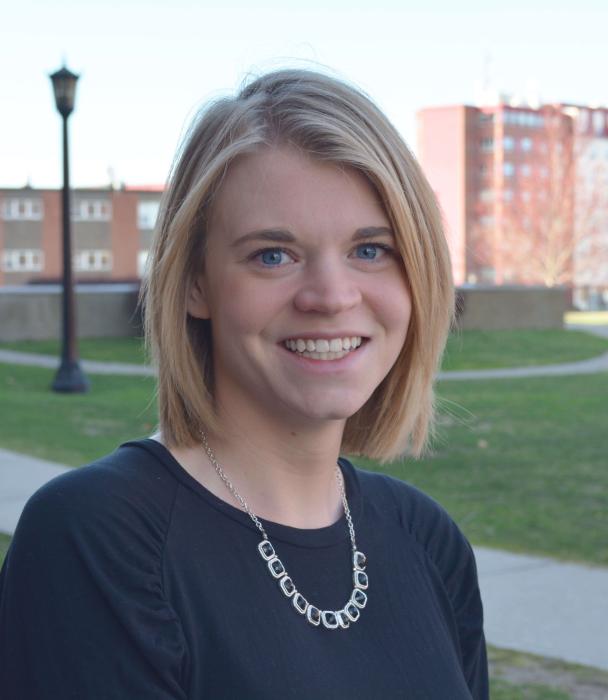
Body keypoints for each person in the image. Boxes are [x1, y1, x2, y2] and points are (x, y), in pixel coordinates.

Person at [0, 68, 488, 699]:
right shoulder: (95, 540)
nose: (332, 297)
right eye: (273, 255)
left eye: (371, 249)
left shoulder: (428, 541)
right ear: (196, 283)